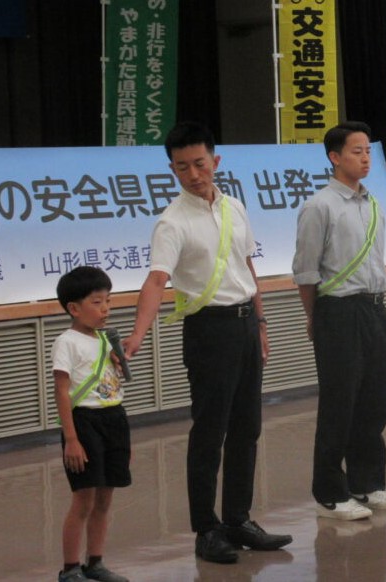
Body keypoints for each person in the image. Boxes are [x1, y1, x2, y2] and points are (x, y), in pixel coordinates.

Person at [122, 122, 292, 564]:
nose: (193, 174)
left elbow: (246, 266)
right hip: (208, 331)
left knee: (247, 428)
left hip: (244, 325)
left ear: (215, 161)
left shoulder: (235, 206)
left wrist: (261, 322)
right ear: (172, 170)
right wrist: (138, 335)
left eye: (200, 164)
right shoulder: (172, 222)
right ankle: (206, 529)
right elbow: (156, 280)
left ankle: (238, 519)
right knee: (209, 432)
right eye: (182, 167)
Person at [292, 121, 386, 521]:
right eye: (357, 151)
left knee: (375, 402)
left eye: (368, 151)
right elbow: (306, 272)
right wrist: (315, 318)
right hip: (338, 311)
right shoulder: (319, 206)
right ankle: (329, 492)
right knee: (339, 403)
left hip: (375, 308)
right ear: (335, 157)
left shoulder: (373, 204)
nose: (365, 158)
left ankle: (367, 484)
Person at [52, 266, 131, 582]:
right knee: (83, 500)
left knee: (105, 498)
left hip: (114, 417)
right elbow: (61, 391)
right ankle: (70, 569)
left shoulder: (105, 339)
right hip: (84, 422)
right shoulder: (66, 342)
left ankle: (95, 563)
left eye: (108, 301)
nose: (105, 309)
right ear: (74, 308)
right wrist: (71, 438)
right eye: (97, 302)